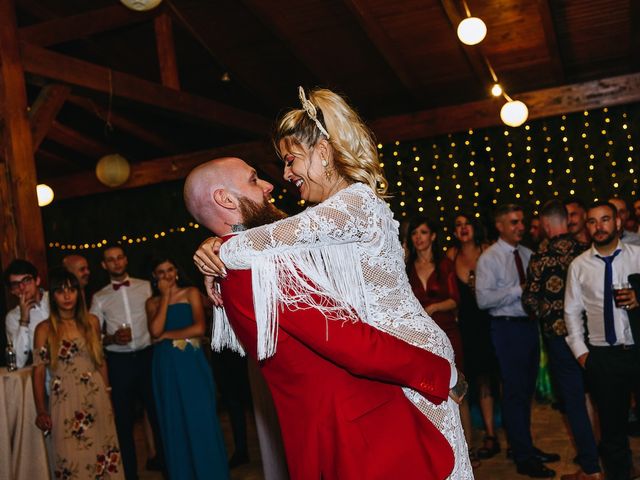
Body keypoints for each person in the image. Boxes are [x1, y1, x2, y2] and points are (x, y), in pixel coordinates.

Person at [192, 87, 471, 478]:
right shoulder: (328, 217)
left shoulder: (352, 203)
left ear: (322, 153)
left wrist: (216, 247)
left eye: (290, 160)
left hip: (410, 352)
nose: (283, 176)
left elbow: (271, 238)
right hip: (395, 364)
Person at [475, 203, 559, 478]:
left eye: (522, 221)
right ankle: (523, 457)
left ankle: (524, 447)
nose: (521, 227)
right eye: (514, 222)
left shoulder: (528, 254)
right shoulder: (489, 258)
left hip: (528, 328)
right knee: (513, 394)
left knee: (525, 394)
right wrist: (516, 290)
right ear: (500, 226)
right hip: (506, 330)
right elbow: (483, 299)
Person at [522, 200, 601, 480]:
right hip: (590, 336)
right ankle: (605, 457)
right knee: (600, 397)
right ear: (566, 222)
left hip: (559, 338)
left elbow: (529, 301)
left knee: (574, 402)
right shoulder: (585, 252)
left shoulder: (541, 258)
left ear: (545, 225)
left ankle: (590, 466)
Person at [565, 200, 640, 480]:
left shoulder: (637, 256)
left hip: (637, 349)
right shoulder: (579, 266)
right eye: (593, 221)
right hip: (603, 357)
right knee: (611, 432)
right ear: (587, 227)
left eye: (605, 219)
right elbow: (571, 312)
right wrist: (582, 353)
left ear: (618, 222)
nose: (599, 226)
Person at [32, 268, 123, 479]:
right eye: (60, 291)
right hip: (63, 400)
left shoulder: (91, 321)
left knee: (103, 455)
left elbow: (100, 362)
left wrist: (108, 397)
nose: (66, 296)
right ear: (52, 296)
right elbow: (38, 372)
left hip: (96, 394)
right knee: (69, 461)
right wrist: (40, 409)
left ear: (79, 293)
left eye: (71, 290)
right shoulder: (44, 329)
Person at [145, 257, 229, 479]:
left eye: (170, 269)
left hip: (191, 362)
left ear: (177, 271)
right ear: (155, 277)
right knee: (174, 420)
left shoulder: (191, 292)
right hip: (165, 366)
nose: (167, 275)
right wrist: (164, 297)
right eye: (161, 272)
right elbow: (155, 330)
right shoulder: (152, 303)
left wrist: (166, 335)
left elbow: (199, 328)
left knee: (200, 416)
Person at [406, 217, 476, 466]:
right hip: (420, 337)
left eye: (423, 232)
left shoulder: (445, 264)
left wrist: (434, 307)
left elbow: (455, 299)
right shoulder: (407, 266)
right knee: (427, 392)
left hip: (447, 333)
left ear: (433, 236)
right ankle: (438, 451)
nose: (418, 237)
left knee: (456, 389)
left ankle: (468, 449)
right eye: (414, 232)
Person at [90, 245, 164, 480]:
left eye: (120, 257)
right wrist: (111, 338)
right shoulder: (99, 297)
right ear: (104, 265)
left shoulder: (145, 287)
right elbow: (93, 336)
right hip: (119, 362)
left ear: (125, 260)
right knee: (123, 423)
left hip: (147, 356)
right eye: (110, 260)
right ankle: (129, 475)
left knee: (158, 415)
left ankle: (169, 470)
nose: (116, 262)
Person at [446, 214, 500, 461]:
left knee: (489, 378)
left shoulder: (487, 250)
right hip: (464, 326)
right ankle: (468, 437)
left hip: (490, 321)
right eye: (458, 225)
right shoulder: (450, 256)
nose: (463, 228)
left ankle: (492, 434)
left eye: (466, 223)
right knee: (470, 378)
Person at [4, 259, 49, 368]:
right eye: (15, 285)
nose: (22, 288)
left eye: (26, 280)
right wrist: (24, 320)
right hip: (43, 370)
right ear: (12, 291)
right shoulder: (13, 317)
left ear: (37, 280)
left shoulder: (53, 298)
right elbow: (18, 363)